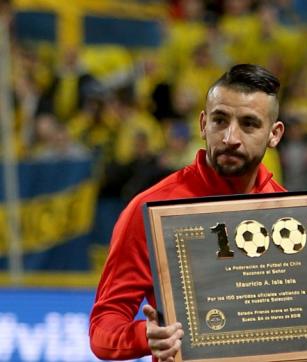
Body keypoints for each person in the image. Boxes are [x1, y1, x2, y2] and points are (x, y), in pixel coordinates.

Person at [89, 64, 287, 361]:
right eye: (220, 120)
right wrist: (145, 335)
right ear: (203, 124)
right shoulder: (149, 209)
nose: (230, 137)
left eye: (249, 124)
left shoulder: (290, 213)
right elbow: (103, 328)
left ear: (274, 134)